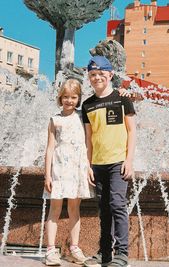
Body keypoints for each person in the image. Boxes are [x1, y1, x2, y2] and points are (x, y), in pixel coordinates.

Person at [82, 56, 136, 267]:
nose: (97, 78)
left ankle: (122, 253)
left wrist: (129, 160)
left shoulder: (122, 98)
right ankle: (104, 253)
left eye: (101, 74)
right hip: (98, 163)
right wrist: (88, 165)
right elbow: (89, 138)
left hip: (118, 162)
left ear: (110, 75)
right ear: (89, 77)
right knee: (104, 208)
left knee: (117, 204)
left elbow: (132, 131)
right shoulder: (88, 104)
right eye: (93, 75)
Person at [43, 79, 94, 266]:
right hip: (59, 169)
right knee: (54, 209)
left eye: (73, 97)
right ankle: (50, 250)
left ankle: (74, 248)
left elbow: (89, 142)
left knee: (74, 208)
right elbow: (49, 148)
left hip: (77, 168)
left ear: (79, 98)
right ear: (60, 98)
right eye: (66, 97)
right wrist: (47, 174)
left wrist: (89, 166)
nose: (69, 101)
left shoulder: (83, 117)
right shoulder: (54, 120)